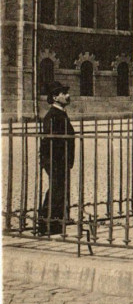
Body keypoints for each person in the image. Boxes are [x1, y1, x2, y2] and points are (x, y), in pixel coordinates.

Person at [38, 81, 75, 235]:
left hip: (61, 160)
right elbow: (51, 141)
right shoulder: (52, 116)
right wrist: (54, 161)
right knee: (56, 190)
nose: (67, 95)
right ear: (55, 97)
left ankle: (56, 222)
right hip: (55, 160)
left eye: (66, 92)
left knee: (59, 190)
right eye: (63, 93)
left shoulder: (60, 113)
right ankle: (46, 224)